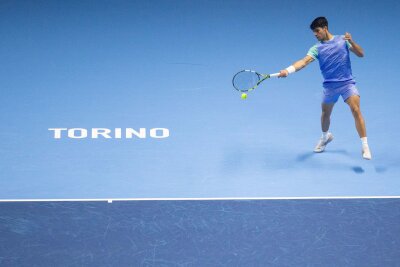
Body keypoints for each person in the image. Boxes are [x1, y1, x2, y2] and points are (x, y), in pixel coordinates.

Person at [278, 16, 371, 160]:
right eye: (314, 32)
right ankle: (325, 137)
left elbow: (361, 54)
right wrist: (287, 70)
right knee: (325, 114)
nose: (315, 34)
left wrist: (351, 41)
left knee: (356, 110)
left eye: (317, 31)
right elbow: (303, 62)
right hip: (329, 86)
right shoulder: (316, 48)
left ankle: (365, 146)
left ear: (325, 28)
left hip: (347, 84)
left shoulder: (343, 40)